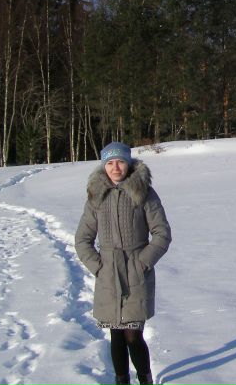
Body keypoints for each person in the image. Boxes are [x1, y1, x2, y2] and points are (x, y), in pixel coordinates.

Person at [75, 142, 172, 385]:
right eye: (109, 163)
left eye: (119, 161)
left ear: (128, 163)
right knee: (116, 335)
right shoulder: (96, 196)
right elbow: (82, 239)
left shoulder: (144, 192)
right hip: (108, 274)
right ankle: (121, 380)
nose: (115, 167)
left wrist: (142, 263)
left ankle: (145, 379)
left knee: (132, 335)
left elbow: (161, 234)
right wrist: (98, 266)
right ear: (103, 166)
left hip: (136, 273)